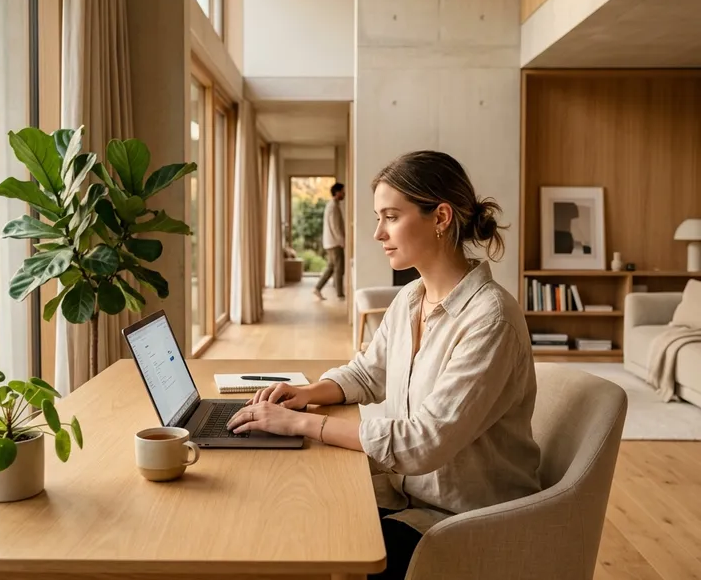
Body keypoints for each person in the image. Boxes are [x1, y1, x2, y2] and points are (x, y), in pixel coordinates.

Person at [227, 151, 542, 580]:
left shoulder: (491, 320)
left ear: (440, 217)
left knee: (311, 545)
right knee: (286, 516)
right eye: (379, 218)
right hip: (406, 498)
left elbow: (424, 443)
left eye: (391, 217)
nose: (378, 233)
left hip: (464, 523)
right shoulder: (411, 298)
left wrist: (302, 423)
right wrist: (306, 394)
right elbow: (367, 372)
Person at [313, 182, 346, 300]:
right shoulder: (333, 206)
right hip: (334, 243)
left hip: (331, 242)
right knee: (339, 269)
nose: (344, 194)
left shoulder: (333, 205)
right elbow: (335, 226)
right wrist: (342, 241)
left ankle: (318, 288)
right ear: (337, 193)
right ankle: (340, 294)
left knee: (331, 267)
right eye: (342, 192)